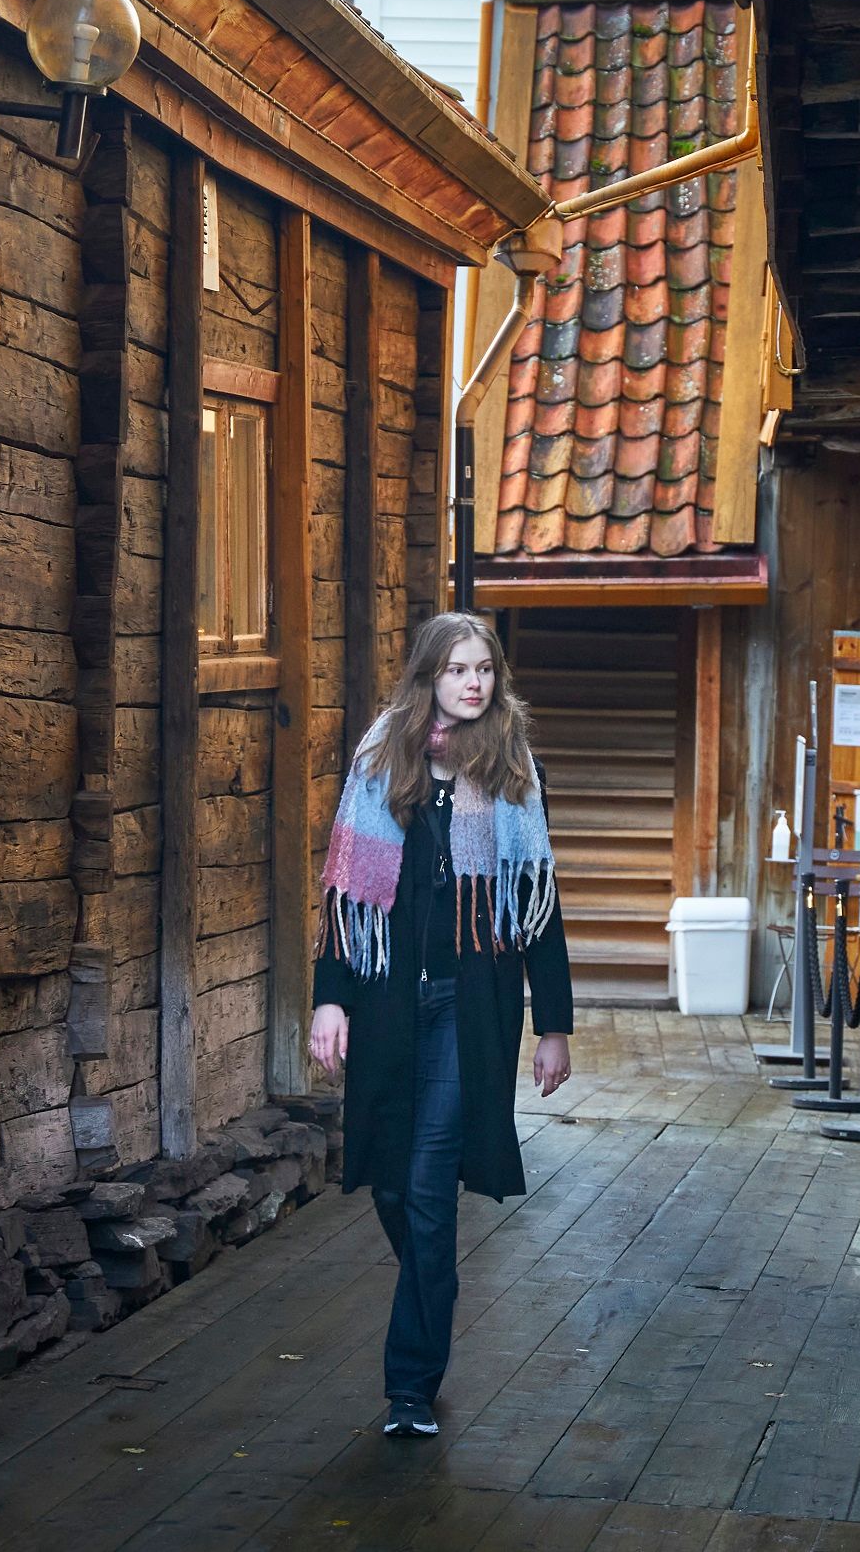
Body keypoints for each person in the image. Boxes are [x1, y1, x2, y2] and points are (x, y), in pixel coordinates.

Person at [309, 610, 573, 1440]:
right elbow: (346, 895)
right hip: (390, 1005)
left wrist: (554, 1025)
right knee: (393, 1185)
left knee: (427, 1185)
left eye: (484, 669)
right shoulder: (380, 760)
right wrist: (329, 998)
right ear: (428, 675)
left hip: (470, 1010)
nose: (473, 682)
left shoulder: (513, 768)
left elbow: (538, 906)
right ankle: (432, 1288)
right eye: (457, 668)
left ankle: (409, 1388)